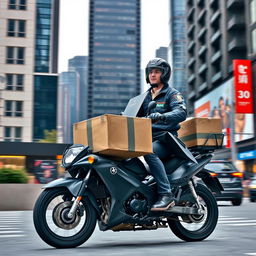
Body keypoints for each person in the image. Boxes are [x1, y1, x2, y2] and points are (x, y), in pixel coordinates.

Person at [137, 58, 187, 211]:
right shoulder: (145, 97)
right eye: (150, 72)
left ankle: (166, 194)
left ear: (164, 75)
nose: (153, 75)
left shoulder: (171, 94)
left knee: (148, 151)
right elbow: (133, 114)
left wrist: (162, 116)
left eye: (157, 72)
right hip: (148, 138)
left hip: (167, 139)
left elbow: (181, 112)